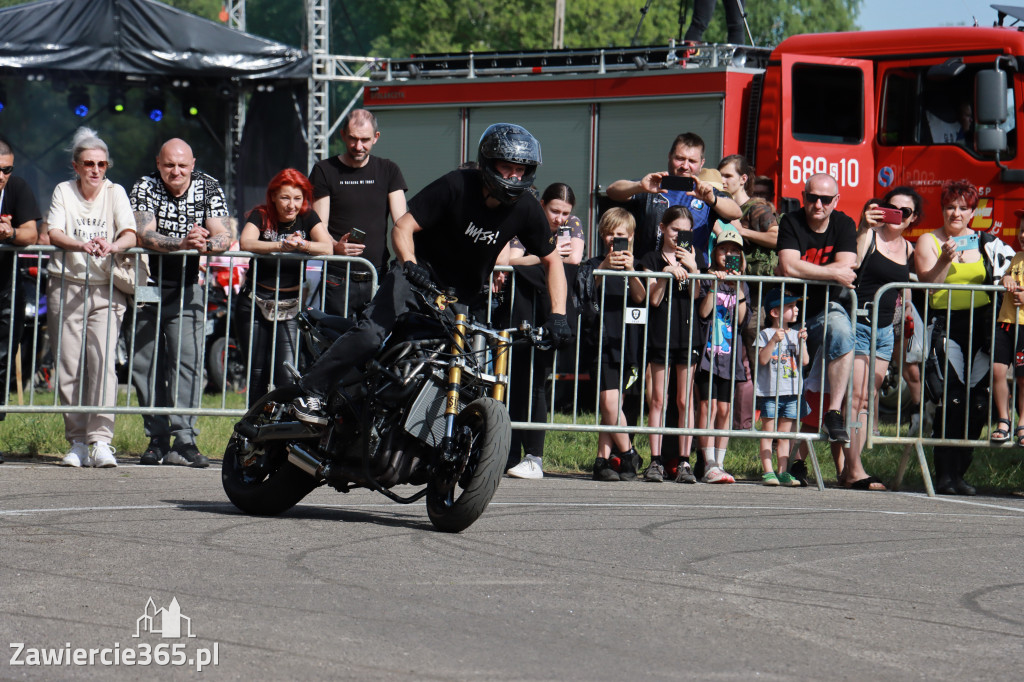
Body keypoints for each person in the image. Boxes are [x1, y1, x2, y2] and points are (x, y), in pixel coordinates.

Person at [291, 123, 570, 431]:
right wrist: (409, 264)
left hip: (461, 297)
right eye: (507, 168)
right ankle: (311, 389)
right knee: (372, 334)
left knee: (462, 371)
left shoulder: (527, 208)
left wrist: (558, 316)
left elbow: (552, 259)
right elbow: (403, 227)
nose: (514, 176)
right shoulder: (456, 185)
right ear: (488, 164)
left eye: (521, 169)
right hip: (415, 277)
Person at [130, 138, 230, 467]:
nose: (176, 171)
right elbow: (145, 234)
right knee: (146, 366)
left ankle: (185, 439)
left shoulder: (208, 186)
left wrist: (208, 243)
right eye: (169, 165)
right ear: (158, 164)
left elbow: (225, 234)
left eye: (182, 165)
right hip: (147, 284)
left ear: (193, 163)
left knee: (187, 363)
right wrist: (182, 242)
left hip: (189, 288)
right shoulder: (145, 185)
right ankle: (156, 437)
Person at [44, 127, 136, 468]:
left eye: (101, 164)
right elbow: (54, 231)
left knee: (103, 365)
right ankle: (77, 441)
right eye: (88, 164)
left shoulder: (116, 193)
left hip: (105, 288)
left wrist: (112, 245)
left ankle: (101, 441)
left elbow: (129, 231)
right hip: (65, 283)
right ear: (76, 165)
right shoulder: (63, 191)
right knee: (68, 365)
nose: (95, 170)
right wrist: (80, 244)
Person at [916, 179, 1014, 495]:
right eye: (950, 207)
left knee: (978, 401)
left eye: (962, 208)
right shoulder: (929, 240)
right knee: (953, 397)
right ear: (943, 210)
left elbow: (1010, 269)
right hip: (948, 326)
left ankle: (960, 474)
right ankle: (944, 475)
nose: (955, 213)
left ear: (972, 211)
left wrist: (1012, 280)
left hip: (984, 326)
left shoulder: (987, 241)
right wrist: (945, 258)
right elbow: (929, 284)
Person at [505, 183, 585, 480]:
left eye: (565, 212)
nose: (560, 218)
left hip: (553, 309)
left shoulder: (573, 224)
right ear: (541, 205)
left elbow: (573, 260)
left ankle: (534, 456)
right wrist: (547, 258)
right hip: (524, 306)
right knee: (515, 381)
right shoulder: (526, 221)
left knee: (538, 381)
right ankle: (510, 453)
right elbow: (510, 261)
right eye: (555, 211)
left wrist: (534, 260)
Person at [238, 169, 333, 407]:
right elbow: (245, 242)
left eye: (297, 198)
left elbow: (327, 247)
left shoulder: (308, 216)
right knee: (257, 373)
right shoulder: (261, 214)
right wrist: (280, 245)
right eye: (285, 198)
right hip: (255, 301)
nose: (292, 205)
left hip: (290, 304)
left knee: (287, 373)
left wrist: (302, 244)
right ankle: (253, 429)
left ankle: (281, 432)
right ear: (273, 197)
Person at [845, 187, 919, 490]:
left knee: (868, 399)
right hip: (859, 323)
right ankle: (854, 470)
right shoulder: (870, 235)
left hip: (886, 330)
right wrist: (865, 226)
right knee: (857, 398)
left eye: (906, 212)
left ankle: (852, 467)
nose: (897, 215)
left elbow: (914, 288)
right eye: (892, 207)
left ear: (913, 218)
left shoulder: (909, 249)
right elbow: (855, 262)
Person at [776, 172, 857, 444]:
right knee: (785, 382)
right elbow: (788, 266)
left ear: (836, 200)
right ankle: (780, 452)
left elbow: (849, 267)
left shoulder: (844, 223)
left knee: (844, 332)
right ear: (803, 197)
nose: (818, 204)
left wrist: (804, 270)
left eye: (825, 199)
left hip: (826, 308)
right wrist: (832, 273)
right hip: (790, 312)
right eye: (812, 198)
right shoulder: (790, 221)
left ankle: (833, 412)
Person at [309, 109, 408, 317]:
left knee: (376, 343)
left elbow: (402, 224)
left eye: (365, 140)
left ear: (376, 138)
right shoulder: (324, 170)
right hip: (337, 276)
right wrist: (336, 247)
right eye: (353, 139)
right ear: (343, 135)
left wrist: (408, 261)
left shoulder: (389, 170)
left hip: (378, 276)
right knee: (337, 341)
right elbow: (319, 226)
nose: (358, 146)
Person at [634, 205, 700, 483]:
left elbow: (697, 296)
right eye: (675, 230)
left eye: (685, 232)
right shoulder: (650, 258)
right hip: (661, 333)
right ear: (662, 228)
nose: (679, 236)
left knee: (685, 400)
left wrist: (693, 269)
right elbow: (653, 299)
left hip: (687, 334)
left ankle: (684, 461)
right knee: (658, 399)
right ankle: (656, 460)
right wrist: (667, 272)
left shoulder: (696, 258)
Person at [606, 132, 741, 266]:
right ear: (669, 156)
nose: (685, 166)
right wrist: (638, 186)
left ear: (702, 163)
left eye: (692, 161)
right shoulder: (652, 185)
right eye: (680, 159)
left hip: (691, 278)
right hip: (648, 273)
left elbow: (736, 212)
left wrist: (712, 200)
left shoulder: (706, 192)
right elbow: (612, 191)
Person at [586, 207, 646, 481]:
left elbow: (640, 297)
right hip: (602, 342)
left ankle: (603, 460)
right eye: (609, 234)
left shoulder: (637, 264)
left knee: (613, 405)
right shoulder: (595, 263)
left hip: (628, 344)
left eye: (620, 235)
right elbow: (586, 292)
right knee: (609, 403)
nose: (614, 239)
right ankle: (630, 452)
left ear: (631, 237)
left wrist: (631, 270)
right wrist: (603, 268)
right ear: (602, 236)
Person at [694, 229, 748, 483]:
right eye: (724, 250)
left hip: (729, 356)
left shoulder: (742, 283)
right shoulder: (707, 278)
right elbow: (704, 313)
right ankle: (707, 463)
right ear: (715, 252)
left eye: (735, 251)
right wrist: (715, 286)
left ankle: (720, 463)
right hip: (707, 354)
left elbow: (740, 320)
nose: (729, 255)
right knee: (708, 406)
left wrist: (738, 289)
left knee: (725, 409)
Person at [0, 136, 40, 465]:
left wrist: (9, 234)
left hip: (6, 288)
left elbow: (32, 234)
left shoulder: (18, 188)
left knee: (1, 361)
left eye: (7, 169)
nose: (2, 175)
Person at [756, 288, 809, 486]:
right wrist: (772, 342)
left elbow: (804, 361)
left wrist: (802, 342)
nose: (796, 310)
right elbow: (761, 359)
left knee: (785, 435)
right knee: (769, 432)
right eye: (790, 306)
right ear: (774, 312)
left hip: (792, 392)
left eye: (796, 306)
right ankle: (768, 471)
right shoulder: (765, 333)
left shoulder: (796, 334)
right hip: (770, 392)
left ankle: (783, 471)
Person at [993, 209, 1024, 446]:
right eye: (1022, 230)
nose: (1023, 235)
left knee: (1022, 377)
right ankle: (1004, 420)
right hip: (1005, 324)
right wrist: (1005, 279)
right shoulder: (1017, 257)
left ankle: (1023, 422)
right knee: (997, 371)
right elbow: (1006, 276)